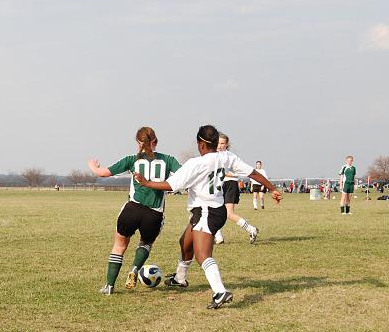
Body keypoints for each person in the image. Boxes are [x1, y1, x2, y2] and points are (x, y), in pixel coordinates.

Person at [133, 125, 282, 309]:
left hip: (206, 211)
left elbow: (171, 185)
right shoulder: (227, 156)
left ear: (201, 144)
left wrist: (146, 182)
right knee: (185, 242)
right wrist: (273, 188)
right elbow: (253, 173)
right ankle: (180, 278)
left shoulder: (196, 164)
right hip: (215, 209)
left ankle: (220, 292)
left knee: (202, 255)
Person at [88, 126, 180, 294]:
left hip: (132, 209)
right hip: (154, 214)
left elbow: (102, 173)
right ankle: (135, 269)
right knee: (146, 243)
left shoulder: (132, 159)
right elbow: (184, 176)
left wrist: (93, 166)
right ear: (156, 142)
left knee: (119, 246)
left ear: (138, 143)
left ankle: (109, 286)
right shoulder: (168, 160)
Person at [213, 133, 258, 245]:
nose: (219, 145)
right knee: (212, 211)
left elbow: (236, 174)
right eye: (218, 143)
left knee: (229, 214)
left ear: (227, 144)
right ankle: (219, 237)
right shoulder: (213, 155)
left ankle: (251, 229)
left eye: (222, 143)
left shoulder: (230, 156)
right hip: (218, 185)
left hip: (230, 185)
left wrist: (223, 174)